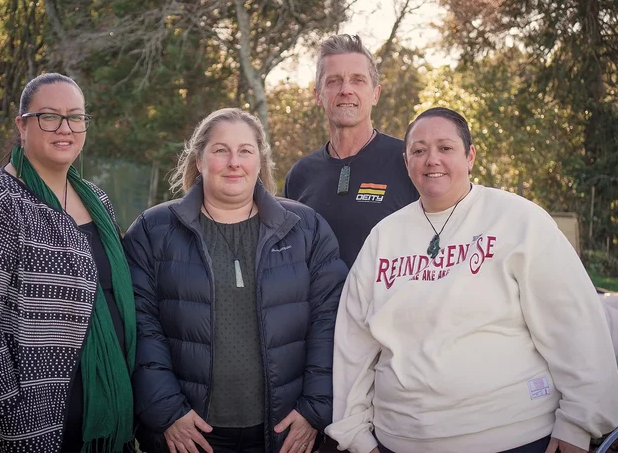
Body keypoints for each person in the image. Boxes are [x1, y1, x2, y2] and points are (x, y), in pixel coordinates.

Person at [326, 107, 618, 453]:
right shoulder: (383, 238)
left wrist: (578, 423)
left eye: (445, 148)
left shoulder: (518, 220)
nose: (431, 159)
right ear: (407, 163)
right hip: (399, 439)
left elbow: (574, 322)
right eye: (418, 151)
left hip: (515, 437)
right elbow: (353, 344)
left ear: (470, 156)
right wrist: (356, 435)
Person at [123, 107, 347, 453]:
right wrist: (166, 411)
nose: (233, 162)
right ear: (199, 160)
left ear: (260, 161)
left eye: (245, 151)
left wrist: (314, 410)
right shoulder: (154, 231)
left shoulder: (306, 229)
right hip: (190, 433)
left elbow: (329, 324)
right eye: (220, 150)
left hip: (283, 431)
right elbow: (139, 327)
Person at [0, 73, 136, 453]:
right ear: (22, 125)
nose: (65, 128)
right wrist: (17, 423)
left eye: (76, 117)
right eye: (49, 116)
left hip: (100, 418)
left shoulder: (98, 200)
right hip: (27, 426)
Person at [283, 34, 418, 269]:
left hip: (385, 305)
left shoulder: (407, 162)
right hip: (320, 307)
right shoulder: (300, 175)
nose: (346, 90)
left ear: (375, 94)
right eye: (334, 81)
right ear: (318, 95)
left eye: (357, 80)